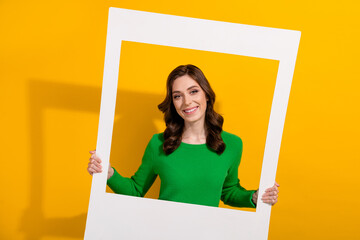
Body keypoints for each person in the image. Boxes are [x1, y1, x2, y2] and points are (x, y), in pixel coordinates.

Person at [87, 64, 279, 208]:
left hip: (207, 234)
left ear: (206, 95)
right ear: (173, 102)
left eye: (193, 91)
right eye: (177, 96)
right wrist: (108, 172)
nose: (187, 102)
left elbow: (228, 192)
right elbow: (136, 190)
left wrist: (253, 198)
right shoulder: (158, 144)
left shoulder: (232, 144)